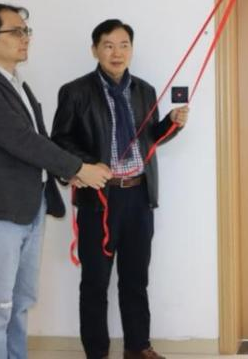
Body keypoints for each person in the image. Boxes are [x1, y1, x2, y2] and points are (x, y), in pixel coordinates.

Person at [0, 3, 112, 359]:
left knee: (19, 303)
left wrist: (72, 171)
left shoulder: (17, 86)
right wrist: (79, 168)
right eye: (15, 31)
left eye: (26, 31)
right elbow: (22, 141)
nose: (24, 38)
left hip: (30, 208)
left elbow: (40, 142)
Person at [51, 19, 189, 359]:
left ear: (132, 49)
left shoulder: (144, 90)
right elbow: (60, 141)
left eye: (124, 45)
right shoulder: (75, 91)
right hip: (99, 199)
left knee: (135, 279)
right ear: (95, 50)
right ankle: (97, 353)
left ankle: (138, 347)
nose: (117, 53)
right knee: (95, 283)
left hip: (139, 197)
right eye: (109, 45)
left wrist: (172, 124)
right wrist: (88, 166)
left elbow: (149, 138)